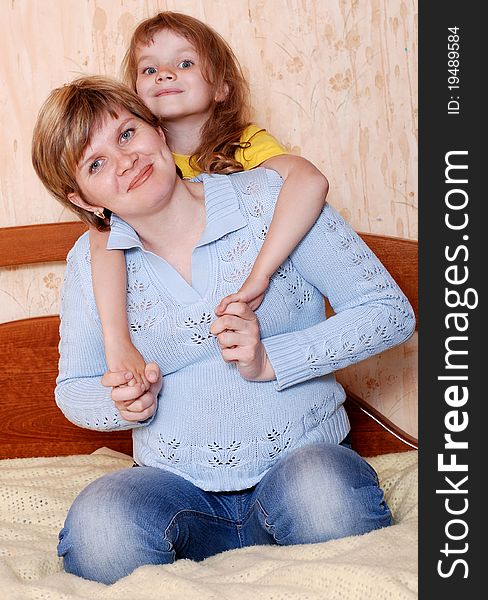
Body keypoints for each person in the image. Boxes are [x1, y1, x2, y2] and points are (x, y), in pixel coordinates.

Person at [31, 76, 416, 585]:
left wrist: (273, 359)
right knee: (101, 527)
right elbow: (74, 390)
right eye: (96, 163)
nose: (124, 161)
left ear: (158, 131)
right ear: (82, 199)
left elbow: (388, 311)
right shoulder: (91, 263)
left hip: (299, 461)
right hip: (175, 489)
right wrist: (123, 403)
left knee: (324, 497)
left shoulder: (271, 201)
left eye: (127, 134)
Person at [88, 11, 329, 389]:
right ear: (134, 97)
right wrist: (117, 342)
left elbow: (309, 181)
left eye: (184, 63)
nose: (165, 74)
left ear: (221, 87)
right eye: (149, 70)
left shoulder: (245, 145)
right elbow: (103, 236)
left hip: (258, 309)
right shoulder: (142, 173)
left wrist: (260, 275)